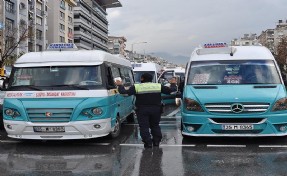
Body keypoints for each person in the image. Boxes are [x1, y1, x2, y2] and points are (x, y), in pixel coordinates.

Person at [115, 73, 177, 148]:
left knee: (144, 127)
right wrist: (173, 84)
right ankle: (156, 142)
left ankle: (148, 143)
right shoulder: (158, 86)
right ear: (151, 79)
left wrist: (120, 85)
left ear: (142, 79)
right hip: (156, 110)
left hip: (142, 110)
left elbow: (124, 93)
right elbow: (172, 91)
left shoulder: (137, 86)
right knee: (155, 125)